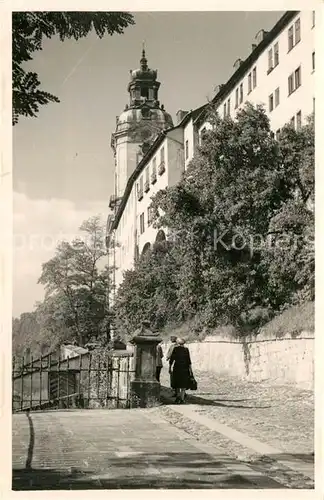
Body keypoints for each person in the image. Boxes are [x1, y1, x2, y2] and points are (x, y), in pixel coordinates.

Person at [169, 338, 192, 404]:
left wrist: (170, 368)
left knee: (177, 383)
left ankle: (178, 397)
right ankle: (182, 398)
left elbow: (172, 359)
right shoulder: (186, 349)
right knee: (183, 383)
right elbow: (189, 360)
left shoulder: (175, 349)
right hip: (185, 368)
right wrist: (191, 370)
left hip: (177, 368)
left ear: (178, 343)